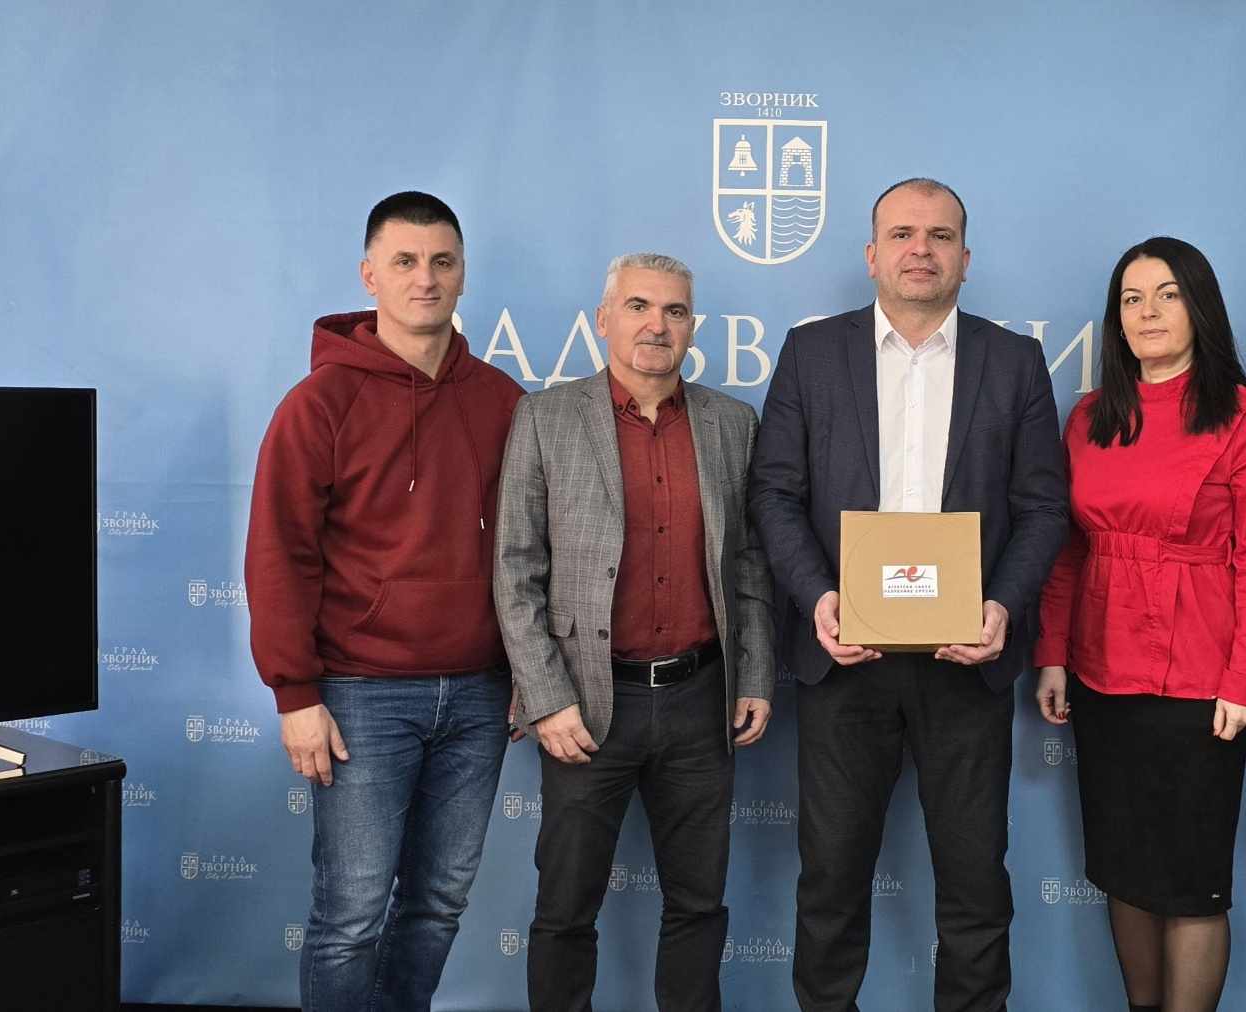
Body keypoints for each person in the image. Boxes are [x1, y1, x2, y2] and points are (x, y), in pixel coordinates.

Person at [748, 177, 1068, 1012]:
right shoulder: (813, 353)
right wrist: (817, 596)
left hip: (968, 663)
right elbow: (774, 493)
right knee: (830, 881)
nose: (920, 249)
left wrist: (1002, 605)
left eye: (939, 235)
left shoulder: (1014, 361)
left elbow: (1043, 508)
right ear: (871, 255)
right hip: (844, 660)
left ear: (966, 257)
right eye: (901, 234)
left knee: (975, 885)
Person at [245, 191, 525, 1011]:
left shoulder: (501, 400)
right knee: (351, 917)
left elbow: (526, 553)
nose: (424, 278)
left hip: (479, 696)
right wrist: (295, 694)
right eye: (404, 261)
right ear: (370, 275)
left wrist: (525, 673)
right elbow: (279, 553)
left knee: (438, 906)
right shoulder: (319, 404)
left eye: (441, 262)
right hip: (361, 696)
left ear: (463, 274)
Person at [493, 253, 775, 1012]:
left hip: (701, 701)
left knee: (699, 905)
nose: (658, 325)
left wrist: (754, 675)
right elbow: (515, 569)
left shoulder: (733, 424)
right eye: (639, 307)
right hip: (585, 705)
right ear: (603, 319)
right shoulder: (545, 417)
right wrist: (547, 698)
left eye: (675, 311)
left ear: (692, 326)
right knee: (565, 908)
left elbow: (749, 564)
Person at [1033, 236, 1246, 1012]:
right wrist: (1053, 654)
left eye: (1168, 294)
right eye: (1132, 299)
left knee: (1190, 883)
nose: (1148, 312)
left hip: (1202, 684)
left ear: (1200, 306)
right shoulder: (1089, 417)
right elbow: (1068, 550)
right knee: (1126, 872)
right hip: (1101, 673)